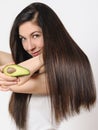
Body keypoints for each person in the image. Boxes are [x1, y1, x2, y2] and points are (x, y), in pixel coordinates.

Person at [0, 2, 96, 130]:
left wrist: (42, 57)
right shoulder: (35, 65)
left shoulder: (70, 68)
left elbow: (14, 81)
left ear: (53, 34)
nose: (29, 47)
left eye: (35, 36)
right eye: (23, 38)